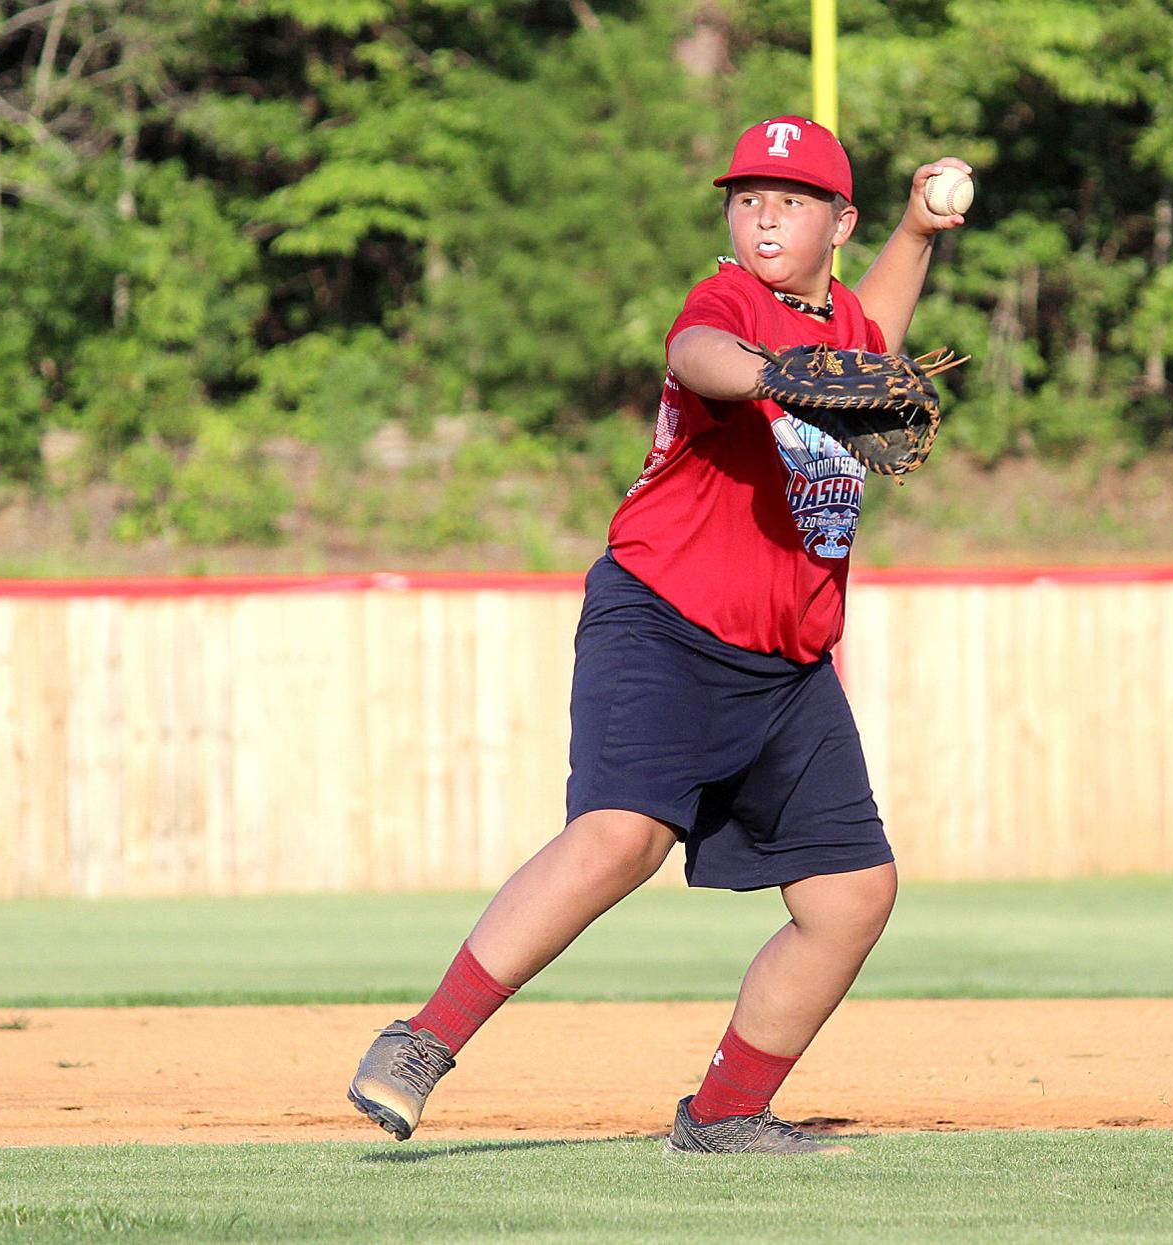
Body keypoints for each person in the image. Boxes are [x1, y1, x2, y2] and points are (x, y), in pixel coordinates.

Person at [349, 115, 970, 1156]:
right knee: (620, 836)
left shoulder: (843, 327)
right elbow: (699, 353)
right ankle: (423, 1039)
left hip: (786, 666)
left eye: (793, 199)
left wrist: (917, 229)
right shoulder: (731, 304)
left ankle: (725, 1115)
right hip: (666, 622)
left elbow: (872, 341)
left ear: (838, 222)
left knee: (852, 893)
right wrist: (779, 372)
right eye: (748, 197)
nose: (764, 212)